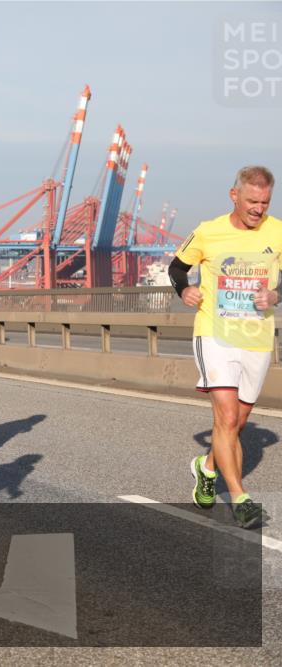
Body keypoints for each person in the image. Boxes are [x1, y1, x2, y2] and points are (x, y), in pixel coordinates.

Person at [169, 165, 279, 529]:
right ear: (235, 195)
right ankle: (240, 499)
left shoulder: (277, 232)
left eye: (264, 203)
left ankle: (206, 467)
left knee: (238, 422)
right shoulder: (208, 231)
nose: (258, 209)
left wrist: (275, 295)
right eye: (252, 201)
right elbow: (176, 269)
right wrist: (185, 289)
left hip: (257, 338)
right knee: (228, 417)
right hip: (214, 335)